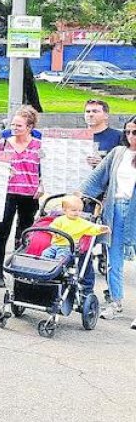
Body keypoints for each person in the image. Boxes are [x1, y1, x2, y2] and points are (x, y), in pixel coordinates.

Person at [80, 114, 136, 326]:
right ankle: (115, 302)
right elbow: (97, 177)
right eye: (127, 132)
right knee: (114, 261)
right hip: (115, 210)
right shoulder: (118, 153)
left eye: (135, 132)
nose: (130, 136)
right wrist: (78, 194)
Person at [0, 106, 42, 288]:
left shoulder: (39, 145)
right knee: (2, 232)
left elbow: (46, 168)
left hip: (30, 194)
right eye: (13, 124)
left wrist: (42, 184)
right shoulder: (4, 143)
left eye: (19, 125)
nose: (14, 128)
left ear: (29, 127)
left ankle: (20, 272)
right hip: (8, 193)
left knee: (25, 233)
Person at [43, 195, 107, 260]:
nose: (77, 213)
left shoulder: (82, 222)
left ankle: (59, 264)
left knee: (61, 257)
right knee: (45, 254)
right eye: (74, 210)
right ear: (64, 210)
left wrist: (100, 229)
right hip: (54, 245)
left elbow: (92, 228)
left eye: (80, 210)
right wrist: (54, 233)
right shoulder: (59, 220)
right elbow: (52, 227)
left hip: (68, 247)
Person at [84, 99, 123, 168]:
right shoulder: (77, 137)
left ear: (106, 115)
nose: (90, 114)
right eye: (88, 111)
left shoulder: (119, 136)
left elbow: (126, 162)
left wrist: (104, 163)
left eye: (95, 111)